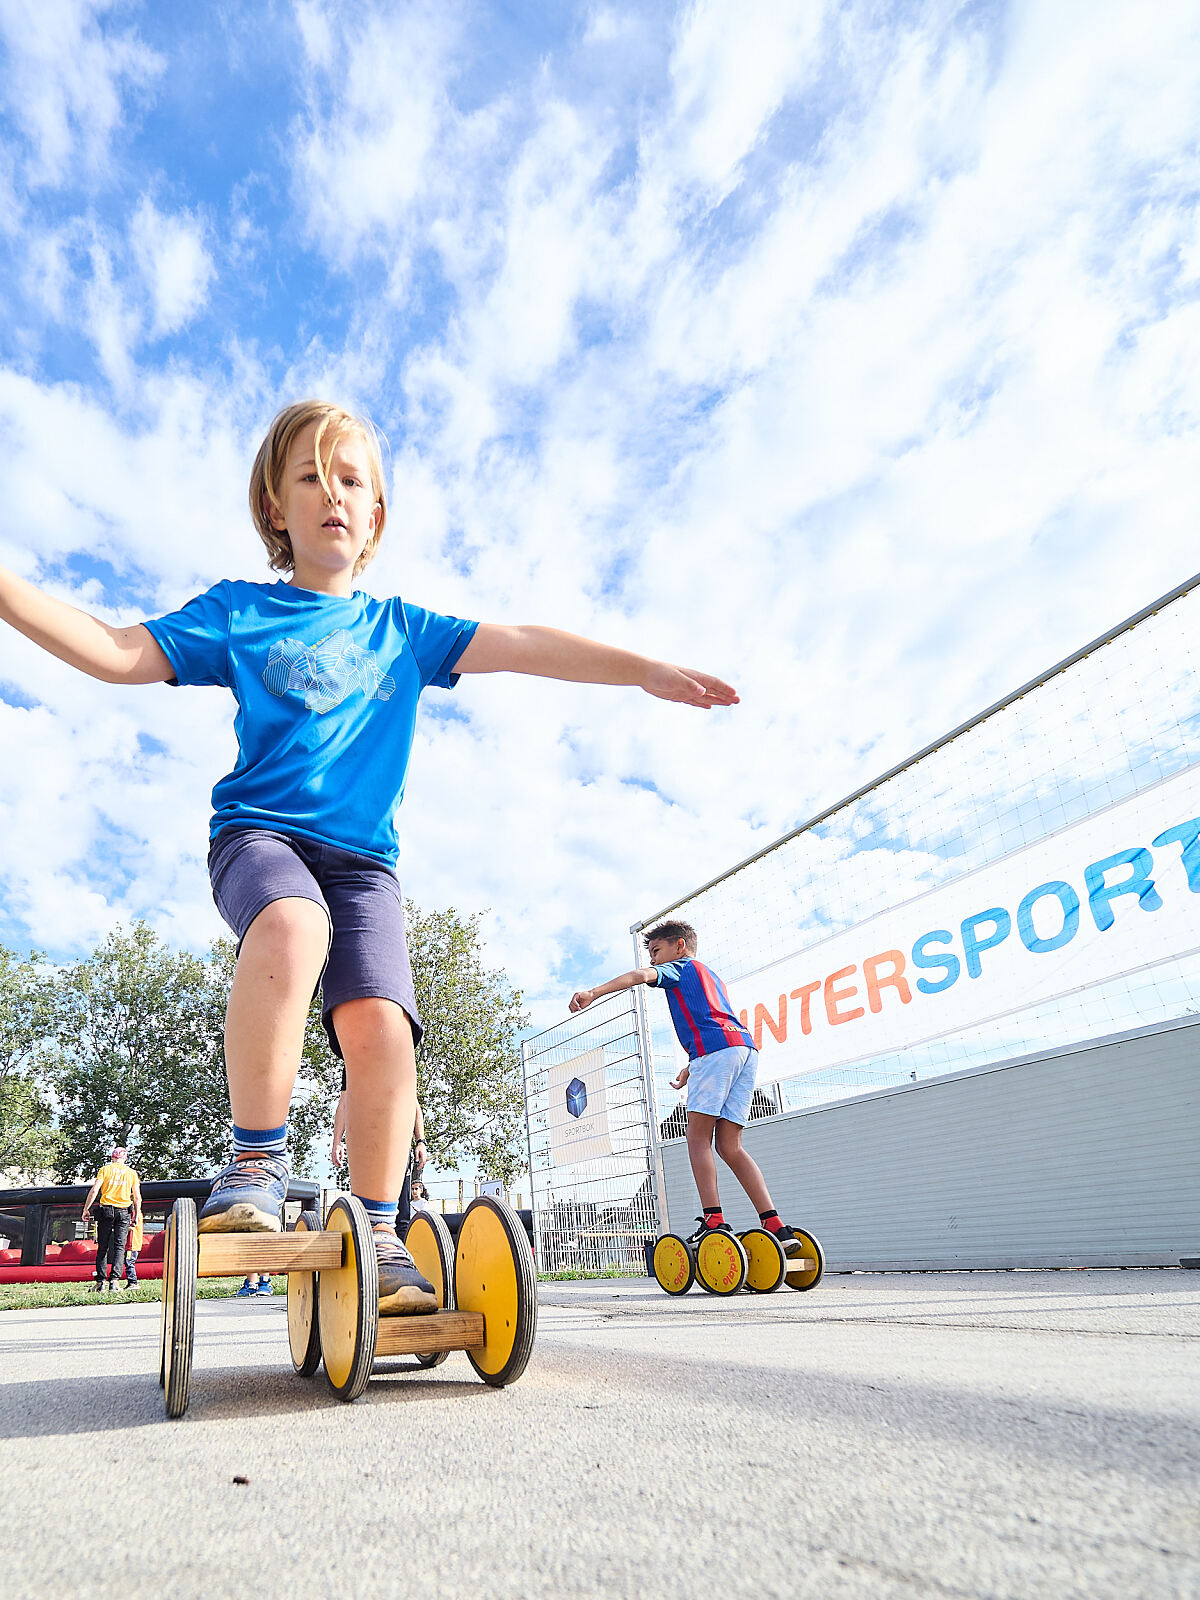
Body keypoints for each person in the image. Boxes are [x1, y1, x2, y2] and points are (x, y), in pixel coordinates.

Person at [0, 399, 738, 1319]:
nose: (333, 494)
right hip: (261, 838)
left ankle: (382, 1231)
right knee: (291, 924)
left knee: (385, 1029)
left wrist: (641, 668)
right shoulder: (240, 613)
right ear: (275, 507)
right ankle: (256, 1159)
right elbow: (115, 652)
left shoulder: (402, 629)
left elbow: (524, 643)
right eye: (310, 477)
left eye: (351, 480)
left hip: (363, 869)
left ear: (376, 513)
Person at [569, 921, 798, 1253]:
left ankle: (714, 1220)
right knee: (730, 1146)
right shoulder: (710, 975)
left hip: (714, 1053)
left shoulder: (679, 967)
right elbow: (713, 1019)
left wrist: (593, 993)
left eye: (656, 951)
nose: (653, 960)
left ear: (679, 946)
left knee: (697, 1137)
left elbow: (638, 977)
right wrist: (692, 1067)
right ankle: (776, 1224)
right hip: (743, 1049)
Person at [332, 1080, 428, 1238]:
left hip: (397, 1145)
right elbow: (343, 1104)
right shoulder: (353, 1067)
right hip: (367, 1145)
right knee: (365, 1204)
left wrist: (421, 1141)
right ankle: (368, 1244)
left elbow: (413, 1103)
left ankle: (398, 1249)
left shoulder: (400, 1065)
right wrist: (337, 1142)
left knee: (402, 1211)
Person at [81, 1146, 142, 1291]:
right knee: (120, 1247)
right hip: (123, 1212)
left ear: (112, 1157)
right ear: (125, 1158)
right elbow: (137, 1197)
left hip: (106, 1210)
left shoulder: (105, 1170)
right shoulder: (131, 1173)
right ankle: (114, 1282)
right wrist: (136, 1215)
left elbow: (95, 1190)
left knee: (103, 1246)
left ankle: (100, 1282)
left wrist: (86, 1208)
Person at [124, 1208, 144, 1286]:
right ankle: (132, 1282)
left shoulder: (134, 1213)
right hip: (133, 1243)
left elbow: (131, 1227)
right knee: (129, 1262)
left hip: (132, 1244)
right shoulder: (137, 1212)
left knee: (129, 1262)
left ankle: (133, 1282)